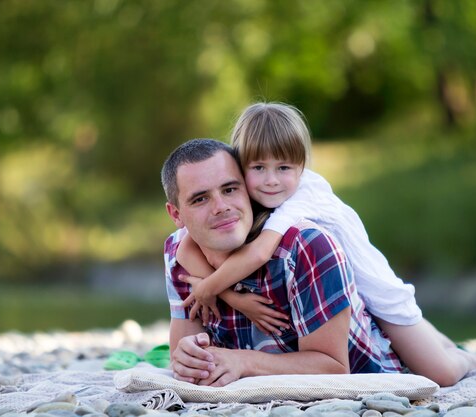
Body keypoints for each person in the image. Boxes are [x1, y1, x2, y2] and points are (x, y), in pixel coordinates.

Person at [175, 103, 476, 387]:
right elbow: (182, 248)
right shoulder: (250, 200)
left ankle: (469, 362)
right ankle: (446, 344)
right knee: (427, 339)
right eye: (258, 168)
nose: (271, 180)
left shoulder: (300, 198)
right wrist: (233, 297)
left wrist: (207, 289)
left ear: (302, 167)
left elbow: (259, 253)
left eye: (284, 168)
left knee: (438, 372)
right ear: (241, 165)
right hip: (347, 295)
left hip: (376, 291)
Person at [161, 138, 404, 387]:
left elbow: (333, 367)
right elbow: (185, 363)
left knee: (443, 368)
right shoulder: (178, 254)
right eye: (200, 199)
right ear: (176, 215)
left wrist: (243, 362)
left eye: (230, 189)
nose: (221, 207)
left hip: (373, 383)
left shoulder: (307, 247)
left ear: (247, 188)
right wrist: (188, 357)